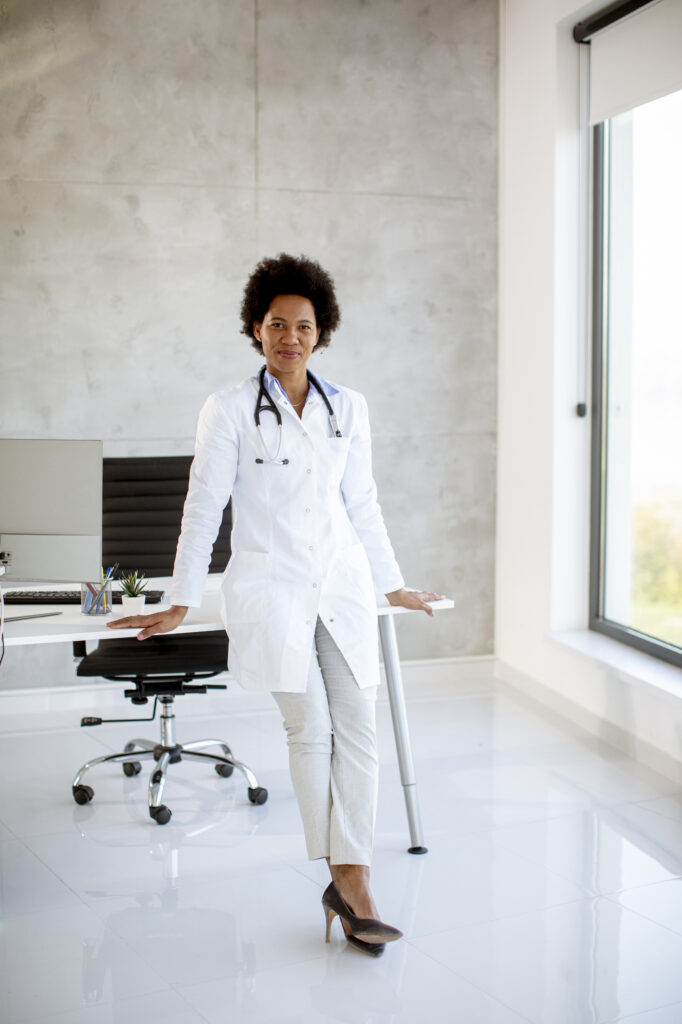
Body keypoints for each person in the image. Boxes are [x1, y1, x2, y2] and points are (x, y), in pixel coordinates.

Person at [108, 253, 442, 957]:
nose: (289, 337)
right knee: (310, 729)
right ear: (254, 330)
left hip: (342, 585)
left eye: (303, 326)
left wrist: (391, 583)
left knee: (358, 730)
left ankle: (351, 880)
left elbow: (362, 502)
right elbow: (204, 508)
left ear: (321, 334)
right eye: (275, 325)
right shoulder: (229, 408)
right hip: (271, 590)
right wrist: (180, 597)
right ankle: (348, 879)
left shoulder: (347, 407)